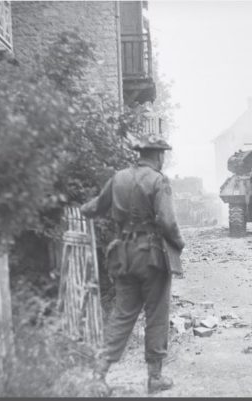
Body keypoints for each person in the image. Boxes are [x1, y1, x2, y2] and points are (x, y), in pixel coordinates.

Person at [80, 135, 185, 394]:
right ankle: (155, 378)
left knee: (122, 314)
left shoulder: (119, 178)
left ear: (140, 154)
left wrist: (79, 208)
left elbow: (95, 207)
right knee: (156, 315)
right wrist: (179, 244)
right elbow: (167, 222)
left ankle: (99, 374)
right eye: (163, 154)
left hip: (123, 257)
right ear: (159, 155)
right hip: (151, 258)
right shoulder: (159, 181)